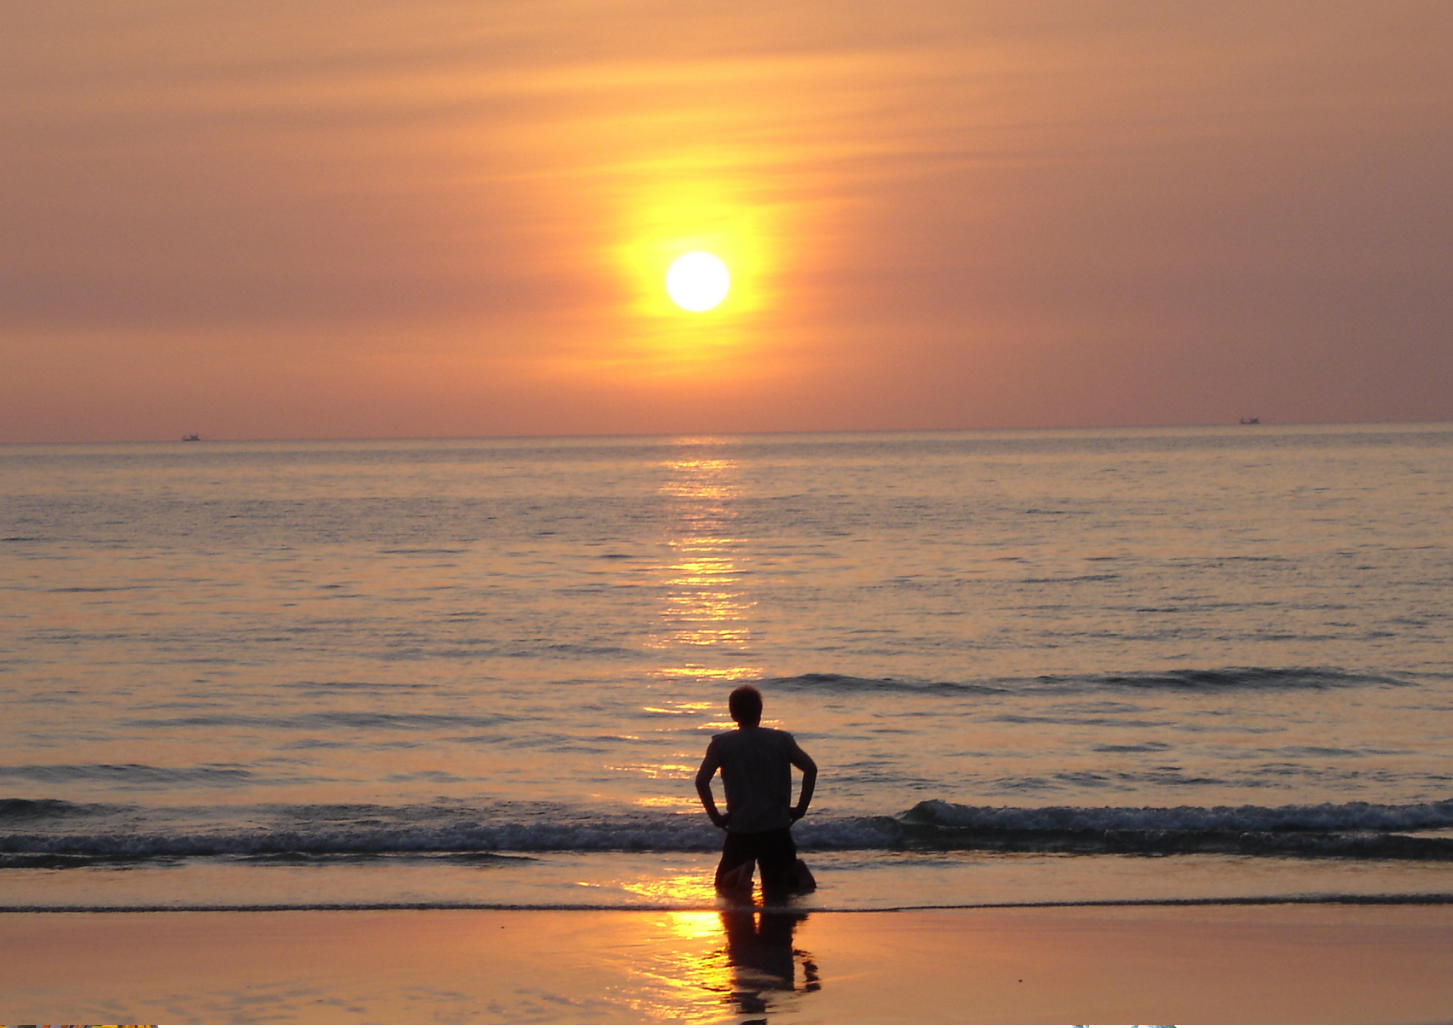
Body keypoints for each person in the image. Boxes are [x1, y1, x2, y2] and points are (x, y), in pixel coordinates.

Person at [695, 684, 818, 903]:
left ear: (732, 714)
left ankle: (742, 870)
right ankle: (795, 871)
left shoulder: (721, 743)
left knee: (723, 882)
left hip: (742, 828)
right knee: (779, 886)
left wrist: (715, 817)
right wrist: (800, 809)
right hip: (777, 827)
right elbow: (810, 768)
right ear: (760, 712)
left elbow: (702, 781)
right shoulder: (781, 740)